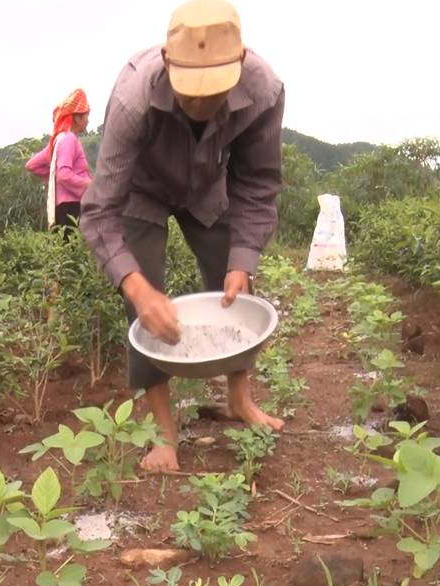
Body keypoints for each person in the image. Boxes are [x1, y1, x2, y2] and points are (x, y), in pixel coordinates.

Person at [79, 0, 286, 473]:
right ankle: (164, 434)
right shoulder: (134, 99)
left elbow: (257, 184)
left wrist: (243, 261)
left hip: (208, 186)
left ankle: (239, 398)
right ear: (169, 63)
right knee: (145, 299)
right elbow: (100, 210)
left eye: (212, 93)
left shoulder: (264, 90)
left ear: (238, 65)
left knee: (235, 280)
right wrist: (137, 288)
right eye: (189, 93)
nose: (199, 104)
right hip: (140, 193)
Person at [26, 88, 93, 236]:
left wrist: (53, 177)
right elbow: (64, 174)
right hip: (72, 208)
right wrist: (89, 185)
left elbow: (32, 165)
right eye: (86, 116)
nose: (88, 120)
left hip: (62, 209)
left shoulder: (57, 142)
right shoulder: (69, 139)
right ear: (76, 118)